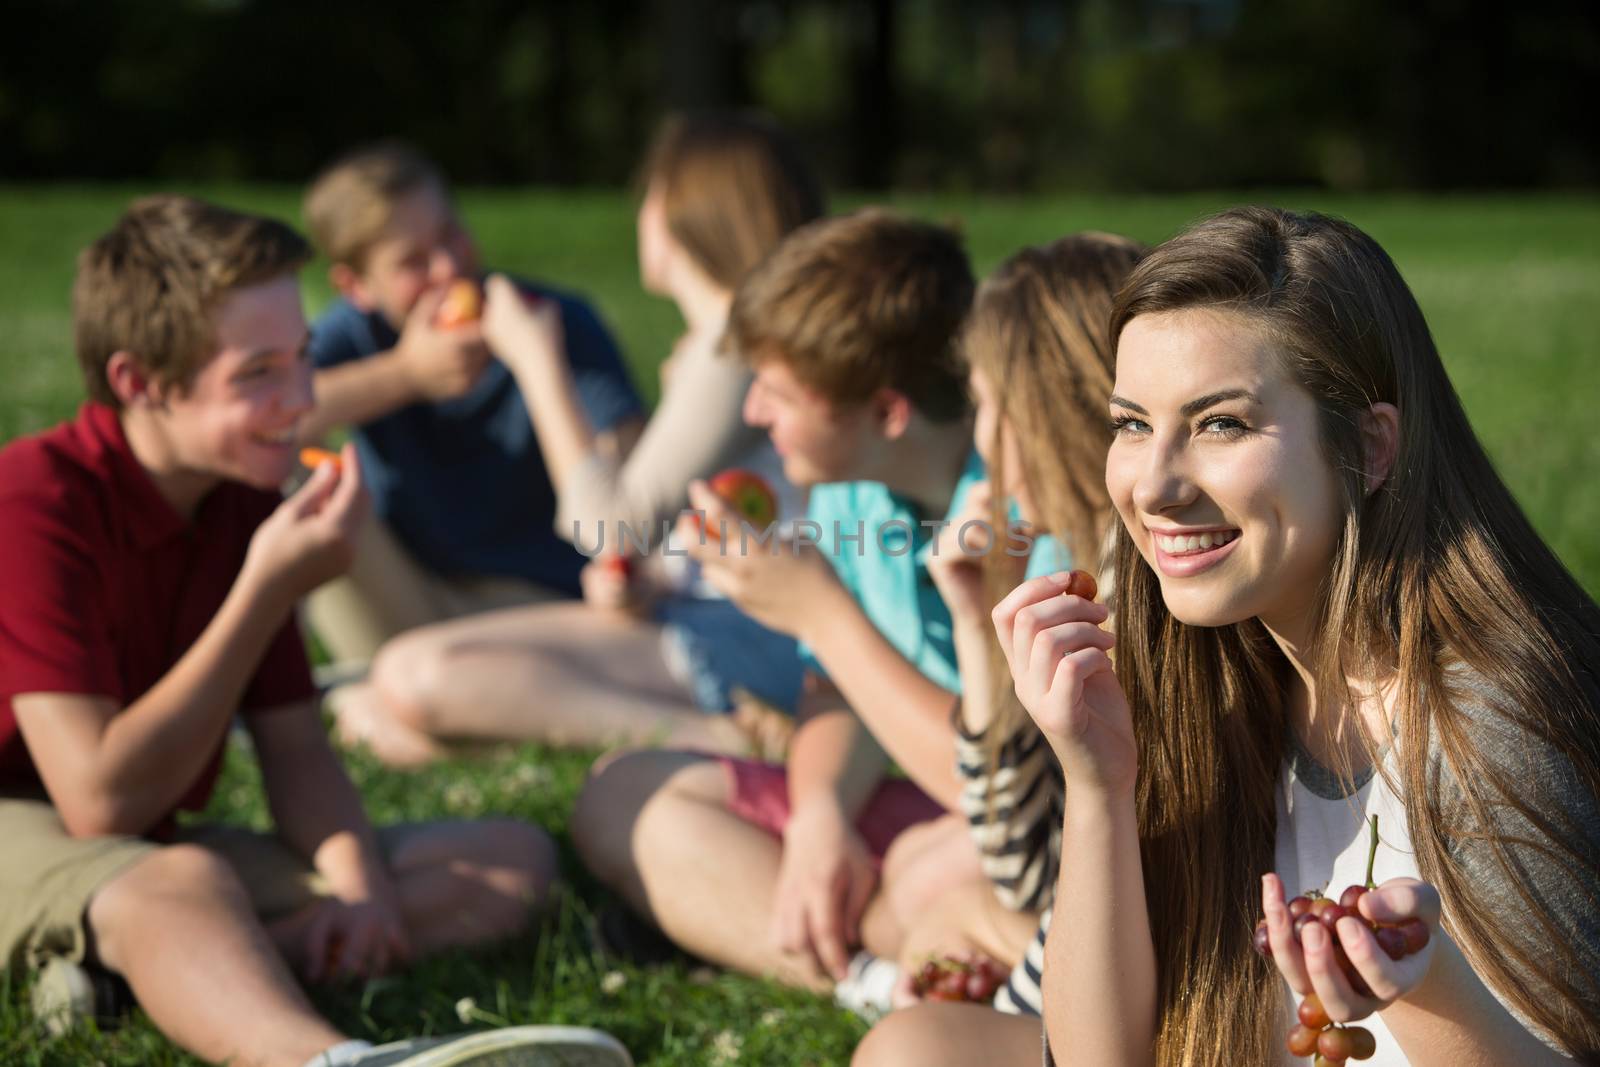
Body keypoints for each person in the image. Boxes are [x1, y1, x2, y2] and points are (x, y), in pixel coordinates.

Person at [0, 196, 630, 1067]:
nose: (300, 399)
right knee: (183, 881)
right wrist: (266, 588)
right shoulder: (34, 499)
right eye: (256, 374)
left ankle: (123, 973)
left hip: (141, 848)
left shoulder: (238, 497)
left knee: (505, 860)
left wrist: (361, 889)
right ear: (138, 381)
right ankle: (331, 1061)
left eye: (301, 359)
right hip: (28, 820)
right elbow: (100, 799)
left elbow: (296, 748)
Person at [994, 207, 1597, 1066]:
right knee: (914, 1044)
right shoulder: (1196, 668)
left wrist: (1421, 988)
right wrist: (1097, 785)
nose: (1154, 486)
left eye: (1221, 424)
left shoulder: (1488, 725)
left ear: (1371, 446)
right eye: (1132, 423)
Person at [572, 208, 996, 1004]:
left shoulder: (1020, 509)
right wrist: (819, 815)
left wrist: (822, 615)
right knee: (622, 795)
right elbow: (835, 693)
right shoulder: (846, 489)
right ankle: (874, 973)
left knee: (933, 871)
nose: (754, 414)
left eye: (777, 391)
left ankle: (811, 937)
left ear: (886, 412)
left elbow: (1011, 795)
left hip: (1016, 832)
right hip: (923, 812)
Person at [332, 113, 824, 763]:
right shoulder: (722, 345)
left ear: (683, 215)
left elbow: (609, 528)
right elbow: (654, 534)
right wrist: (647, 578)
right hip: (709, 621)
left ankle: (723, 741)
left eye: (650, 196)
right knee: (376, 701)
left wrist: (537, 362)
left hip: (752, 638)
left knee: (404, 681)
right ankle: (568, 730)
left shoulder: (735, 346)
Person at [850, 232, 1146, 1064]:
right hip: (1105, 947)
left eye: (986, 402)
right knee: (929, 894)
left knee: (905, 1047)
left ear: (1044, 409)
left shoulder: (1145, 601)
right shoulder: (1106, 567)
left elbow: (1035, 874)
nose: (979, 437)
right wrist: (980, 631)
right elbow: (1028, 869)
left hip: (1149, 986)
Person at [297, 141, 645, 671]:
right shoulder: (355, 334)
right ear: (356, 287)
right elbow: (270, 416)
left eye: (451, 235)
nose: (448, 269)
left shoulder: (553, 321)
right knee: (284, 473)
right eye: (412, 261)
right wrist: (405, 374)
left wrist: (535, 360)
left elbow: (637, 492)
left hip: (543, 602)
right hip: (409, 592)